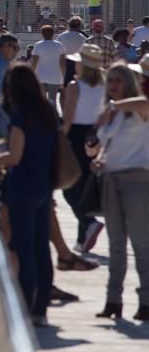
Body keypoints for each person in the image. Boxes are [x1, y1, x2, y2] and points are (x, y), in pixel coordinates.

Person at [0, 64, 58, 326]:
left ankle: (25, 305)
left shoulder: (20, 117)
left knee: (24, 250)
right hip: (44, 186)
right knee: (41, 249)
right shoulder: (47, 112)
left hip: (21, 187)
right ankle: (41, 308)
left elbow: (14, 156)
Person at [88, 63, 149, 321]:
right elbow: (103, 145)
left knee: (141, 243)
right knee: (115, 244)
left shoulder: (136, 110)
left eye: (118, 80)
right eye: (110, 80)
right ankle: (113, 300)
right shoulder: (108, 112)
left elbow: (145, 104)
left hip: (137, 179)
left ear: (129, 83)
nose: (112, 85)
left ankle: (146, 300)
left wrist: (115, 106)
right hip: (110, 179)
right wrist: (96, 157)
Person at [60, 44, 107, 255]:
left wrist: (60, 139)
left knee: (69, 188)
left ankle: (89, 223)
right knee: (85, 187)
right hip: (95, 136)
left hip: (76, 136)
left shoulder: (74, 86)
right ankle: (82, 238)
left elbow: (68, 118)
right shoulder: (104, 85)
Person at [31, 25, 66, 104]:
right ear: (53, 34)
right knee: (52, 99)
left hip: (41, 76)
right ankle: (52, 115)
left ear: (42, 34)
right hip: (55, 77)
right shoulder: (59, 45)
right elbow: (62, 63)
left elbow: (34, 62)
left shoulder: (38, 45)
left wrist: (31, 75)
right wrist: (64, 77)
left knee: (41, 99)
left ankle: (42, 115)